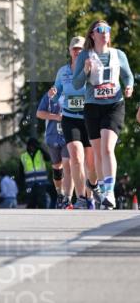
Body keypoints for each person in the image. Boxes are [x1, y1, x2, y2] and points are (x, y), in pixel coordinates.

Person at [73, 19, 134, 210]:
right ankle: (102, 192)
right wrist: (85, 70)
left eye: (107, 29)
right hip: (93, 107)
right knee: (98, 153)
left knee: (107, 148)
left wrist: (129, 86)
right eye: (100, 29)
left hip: (114, 105)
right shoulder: (85, 55)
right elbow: (77, 84)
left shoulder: (118, 54)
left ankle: (109, 193)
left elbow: (128, 76)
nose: (105, 32)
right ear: (93, 34)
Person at [50, 36, 99, 210]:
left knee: (91, 164)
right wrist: (53, 93)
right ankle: (81, 198)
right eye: (75, 48)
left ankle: (91, 193)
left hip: (89, 118)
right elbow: (57, 92)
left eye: (80, 48)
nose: (78, 51)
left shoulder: (92, 66)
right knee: (76, 158)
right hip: (70, 118)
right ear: (70, 51)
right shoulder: (63, 71)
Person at [36, 87, 72, 208]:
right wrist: (56, 117)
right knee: (57, 167)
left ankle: (68, 198)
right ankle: (60, 194)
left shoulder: (74, 91)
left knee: (67, 164)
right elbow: (39, 113)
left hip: (68, 136)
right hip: (53, 137)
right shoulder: (51, 94)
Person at [19, 138, 50, 209]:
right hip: (29, 184)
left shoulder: (40, 153)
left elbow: (48, 158)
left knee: (41, 202)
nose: (32, 147)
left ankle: (43, 215)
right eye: (31, 145)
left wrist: (41, 148)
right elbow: (21, 172)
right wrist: (22, 185)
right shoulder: (24, 156)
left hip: (41, 183)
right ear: (28, 146)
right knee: (31, 202)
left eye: (34, 146)